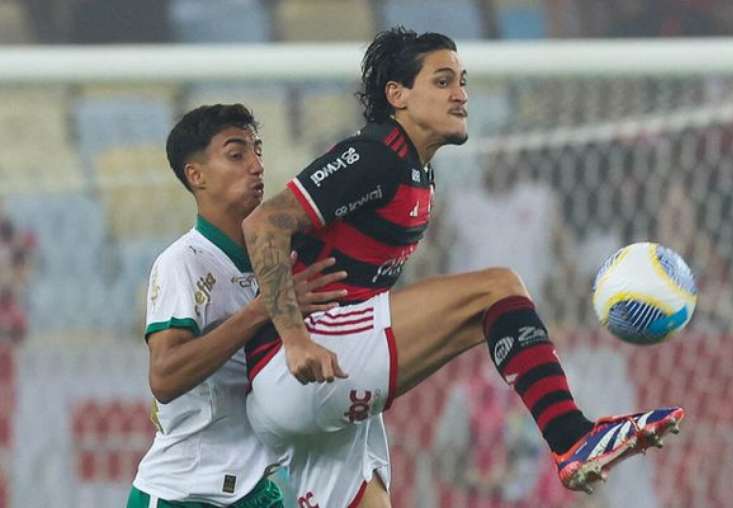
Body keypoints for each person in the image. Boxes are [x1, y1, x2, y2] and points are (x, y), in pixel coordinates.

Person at [242, 27, 685, 507]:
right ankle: (570, 435)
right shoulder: (373, 156)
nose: (461, 95)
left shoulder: (419, 173)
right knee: (498, 289)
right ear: (398, 95)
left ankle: (571, 438)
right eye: (443, 81)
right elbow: (264, 224)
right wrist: (294, 338)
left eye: (463, 81)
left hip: (325, 382)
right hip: (298, 363)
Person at [126, 104, 347, 508]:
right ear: (197, 175)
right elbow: (164, 376)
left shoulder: (281, 256)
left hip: (255, 490)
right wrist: (266, 309)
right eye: (236, 154)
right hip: (185, 493)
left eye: (257, 150)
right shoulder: (185, 262)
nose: (257, 165)